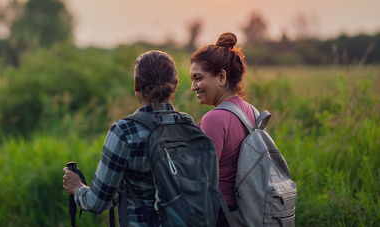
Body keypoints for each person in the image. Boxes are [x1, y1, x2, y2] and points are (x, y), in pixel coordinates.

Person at [63, 50, 192, 226]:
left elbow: (97, 202)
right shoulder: (188, 124)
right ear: (175, 84)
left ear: (136, 84)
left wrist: (77, 188)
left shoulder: (125, 131)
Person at [189, 32, 254, 227]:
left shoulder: (214, 119)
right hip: (243, 211)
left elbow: (199, 179)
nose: (193, 87)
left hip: (218, 214)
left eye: (198, 78)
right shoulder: (250, 110)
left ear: (222, 77)